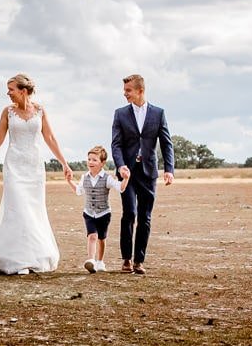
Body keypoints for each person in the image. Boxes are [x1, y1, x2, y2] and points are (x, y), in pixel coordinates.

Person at [0, 74, 74, 274]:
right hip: (14, 167)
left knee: (33, 210)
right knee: (17, 209)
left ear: (23, 91)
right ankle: (17, 260)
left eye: (11, 89)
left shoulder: (41, 111)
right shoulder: (7, 112)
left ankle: (32, 257)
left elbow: (50, 137)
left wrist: (64, 163)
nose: (8, 93)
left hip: (35, 168)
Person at [110, 74, 174, 275]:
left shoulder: (158, 113)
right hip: (127, 173)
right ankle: (126, 259)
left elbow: (166, 143)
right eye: (124, 90)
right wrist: (120, 166)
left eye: (128, 90)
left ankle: (139, 261)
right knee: (129, 214)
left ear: (140, 91)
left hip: (148, 173)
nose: (125, 94)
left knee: (145, 217)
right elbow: (116, 144)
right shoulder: (120, 114)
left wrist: (169, 170)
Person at [68, 145, 129, 273]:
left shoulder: (107, 178)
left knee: (101, 238)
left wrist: (126, 179)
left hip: (104, 214)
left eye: (94, 160)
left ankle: (100, 261)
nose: (90, 162)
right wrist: (69, 181)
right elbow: (79, 191)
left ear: (102, 163)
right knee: (92, 236)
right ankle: (91, 260)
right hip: (89, 213)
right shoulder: (85, 177)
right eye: (89, 159)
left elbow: (120, 188)